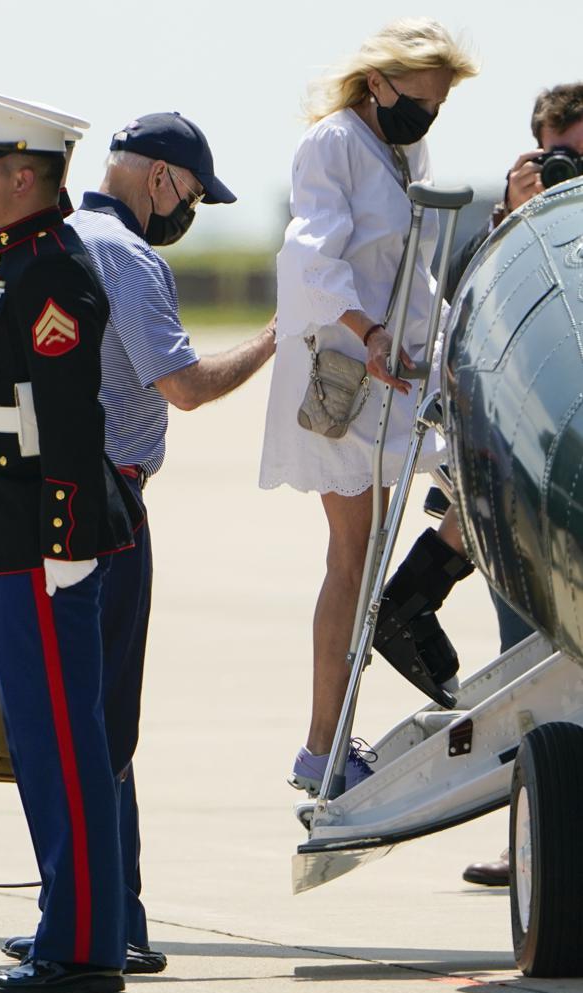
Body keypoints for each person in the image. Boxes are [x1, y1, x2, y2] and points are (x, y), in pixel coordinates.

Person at [0, 102, 276, 969]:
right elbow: (182, 386)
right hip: (85, 512)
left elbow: (55, 391)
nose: (189, 210)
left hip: (66, 516)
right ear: (161, 178)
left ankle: (94, 926)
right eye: (191, 193)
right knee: (89, 729)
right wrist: (276, 338)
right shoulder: (107, 253)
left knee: (75, 729)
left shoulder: (62, 247)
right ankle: (102, 923)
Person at [0, 92, 139, 993]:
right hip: (5, 530)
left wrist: (66, 537)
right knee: (40, 740)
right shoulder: (19, 258)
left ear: (25, 178)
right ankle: (72, 922)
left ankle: (83, 949)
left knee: (62, 742)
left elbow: (69, 416)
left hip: (39, 540)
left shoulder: (53, 270)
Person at [259, 17, 478, 795]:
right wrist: (370, 332)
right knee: (352, 559)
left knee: (463, 495)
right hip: (347, 380)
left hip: (398, 373)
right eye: (419, 99)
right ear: (378, 83)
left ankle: (406, 610)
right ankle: (322, 750)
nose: (428, 115)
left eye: (439, 105)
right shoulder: (333, 144)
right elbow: (310, 257)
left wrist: (448, 342)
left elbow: (412, 269)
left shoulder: (402, 147)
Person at [451, 82, 583, 888]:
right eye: (560, 155)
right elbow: (465, 309)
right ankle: (534, 831)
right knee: (527, 662)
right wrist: (513, 212)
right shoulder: (514, 237)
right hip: (534, 492)